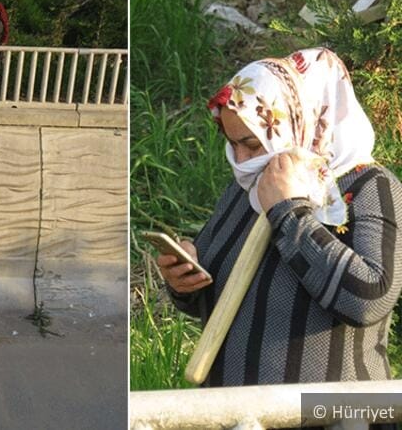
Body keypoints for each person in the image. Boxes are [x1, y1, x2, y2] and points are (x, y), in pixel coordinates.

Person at [157, 48, 402, 388]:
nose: (241, 160)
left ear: (299, 121)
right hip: (233, 415)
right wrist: (183, 283)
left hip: (332, 416)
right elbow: (223, 293)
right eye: (232, 144)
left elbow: (368, 299)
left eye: (252, 144)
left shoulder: (369, 187)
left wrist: (289, 212)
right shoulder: (246, 189)